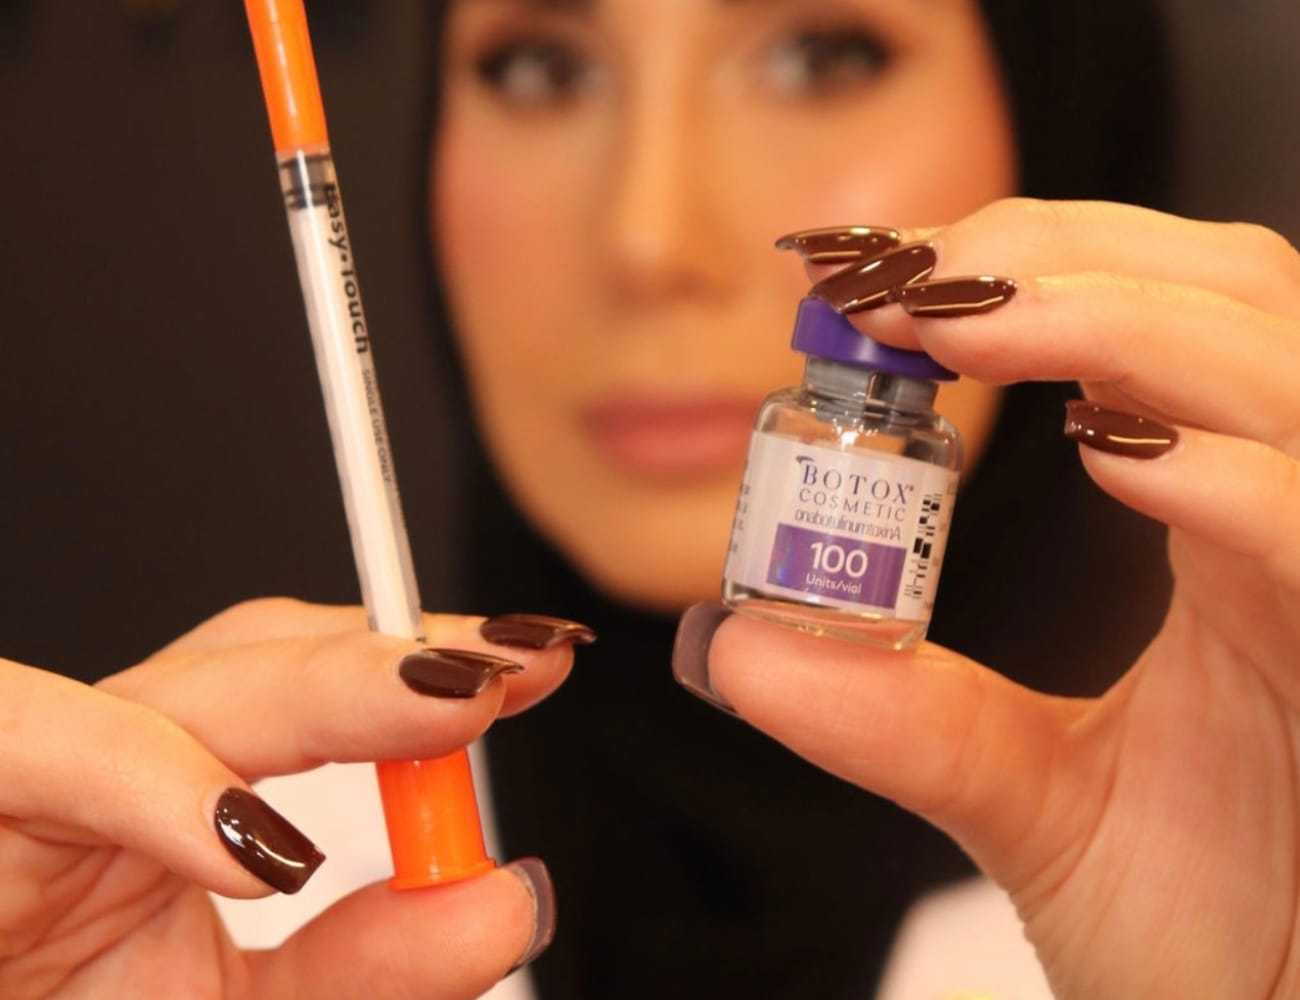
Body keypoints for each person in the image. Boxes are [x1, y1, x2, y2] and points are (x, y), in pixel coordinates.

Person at [3, 3, 1298, 1000]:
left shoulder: (1247, 890)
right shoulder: (202, 914)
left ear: (1066, 96)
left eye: (819, 50)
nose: (645, 236)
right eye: (543, 69)